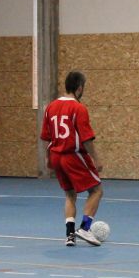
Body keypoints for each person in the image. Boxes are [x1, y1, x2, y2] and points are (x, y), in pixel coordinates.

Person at [40, 71, 104, 247]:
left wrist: (47, 158)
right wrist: (96, 159)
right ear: (79, 88)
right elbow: (86, 138)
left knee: (70, 194)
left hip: (56, 155)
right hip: (73, 155)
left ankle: (69, 235)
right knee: (97, 190)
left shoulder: (51, 107)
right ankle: (84, 227)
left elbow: (46, 137)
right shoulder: (78, 108)